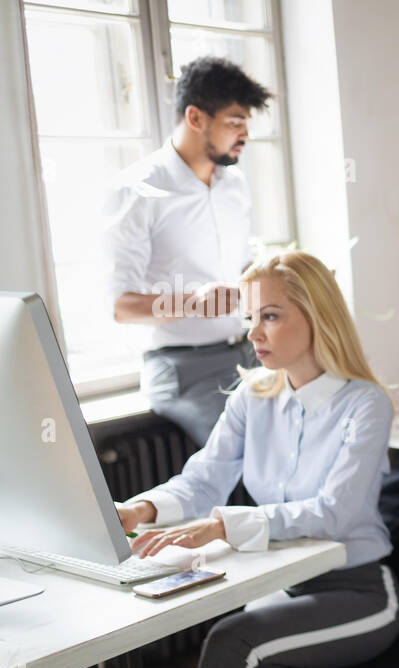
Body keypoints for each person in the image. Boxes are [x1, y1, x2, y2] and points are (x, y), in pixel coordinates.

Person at [116, 251, 399, 668]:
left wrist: (223, 526)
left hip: (359, 594)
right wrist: (138, 509)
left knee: (229, 640)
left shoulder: (365, 404)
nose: (254, 334)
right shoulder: (253, 397)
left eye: (270, 316)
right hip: (286, 593)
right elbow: (200, 482)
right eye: (251, 318)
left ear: (316, 315)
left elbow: (333, 513)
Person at [105, 56, 273, 446]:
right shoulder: (136, 190)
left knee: (318, 426)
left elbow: (241, 267)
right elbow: (120, 307)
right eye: (234, 123)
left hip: (247, 353)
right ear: (195, 118)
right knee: (255, 451)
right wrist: (193, 302)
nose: (244, 135)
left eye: (246, 124)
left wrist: (287, 278)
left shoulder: (235, 185)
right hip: (181, 369)